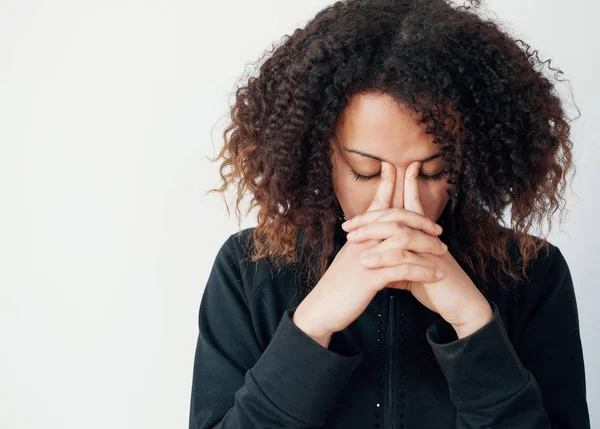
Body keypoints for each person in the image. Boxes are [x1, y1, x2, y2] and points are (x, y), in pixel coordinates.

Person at [189, 0, 590, 427]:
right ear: (320, 152)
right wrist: (312, 325)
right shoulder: (249, 268)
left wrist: (475, 324)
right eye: (367, 171)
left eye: (433, 170)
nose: (399, 203)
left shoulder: (532, 273)